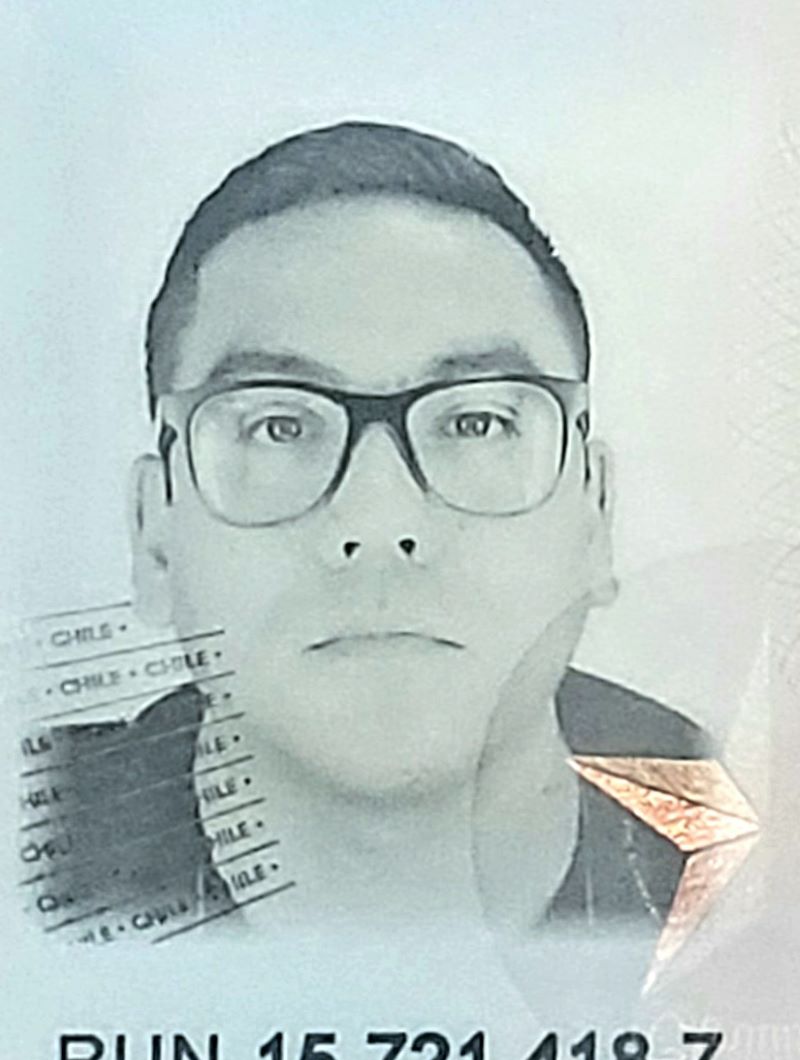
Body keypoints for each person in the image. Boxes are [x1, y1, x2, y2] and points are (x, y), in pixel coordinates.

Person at [29, 123, 753, 963]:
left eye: (477, 421)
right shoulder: (32, 836)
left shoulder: (759, 860)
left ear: (595, 514)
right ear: (155, 533)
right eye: (277, 424)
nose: (377, 522)